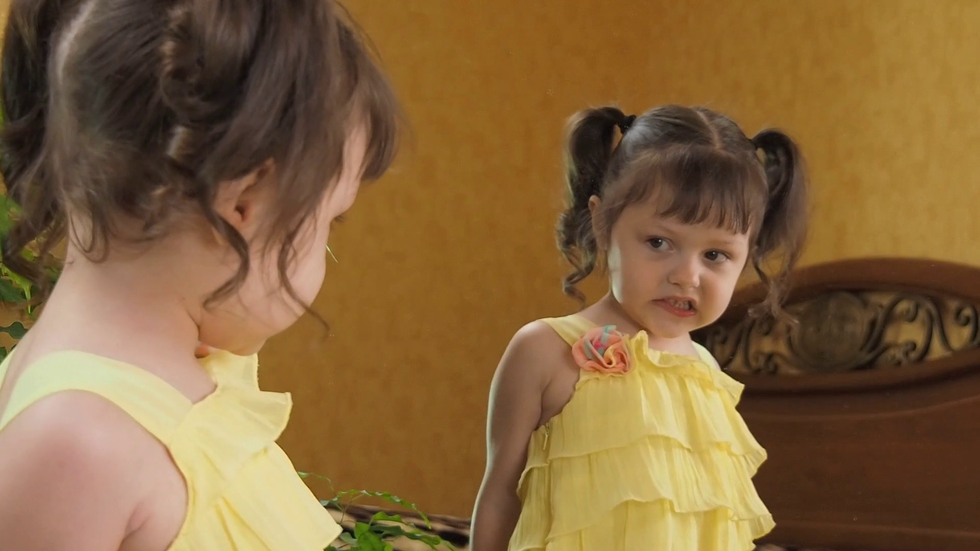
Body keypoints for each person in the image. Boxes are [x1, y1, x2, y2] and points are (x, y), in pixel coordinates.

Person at [0, 0, 400, 549]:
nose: (326, 243)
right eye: (329, 220)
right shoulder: (78, 442)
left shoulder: (180, 372)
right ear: (242, 203)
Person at [470, 104, 808, 550]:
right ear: (602, 223)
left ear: (747, 255)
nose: (687, 275)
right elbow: (500, 497)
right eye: (659, 242)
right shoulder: (543, 350)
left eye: (715, 255)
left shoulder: (707, 373)